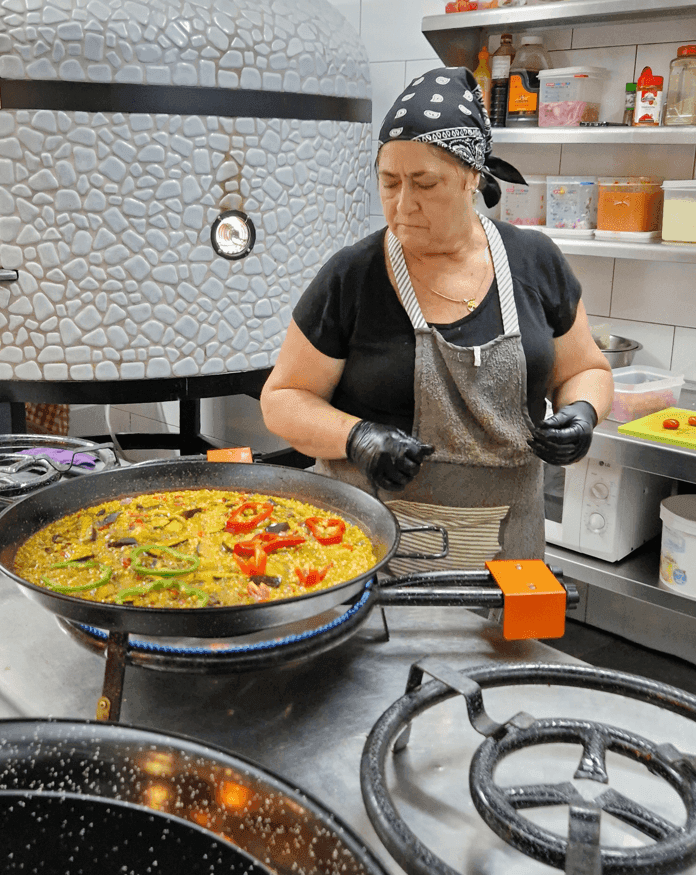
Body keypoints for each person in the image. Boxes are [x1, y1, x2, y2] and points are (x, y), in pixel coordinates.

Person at [260, 66, 613, 571]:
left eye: (424, 183)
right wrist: (356, 437)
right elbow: (283, 399)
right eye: (389, 183)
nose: (402, 205)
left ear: (472, 177)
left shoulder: (535, 261)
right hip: (365, 555)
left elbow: (585, 370)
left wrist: (582, 413)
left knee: (501, 652)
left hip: (506, 555)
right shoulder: (353, 276)